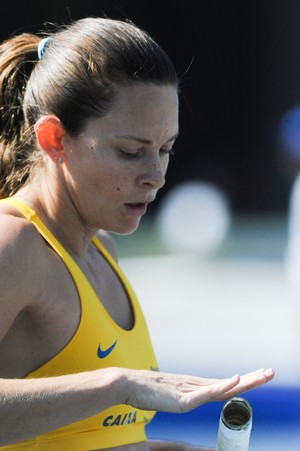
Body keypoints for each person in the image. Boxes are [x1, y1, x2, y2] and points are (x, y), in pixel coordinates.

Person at [0, 17, 274, 451]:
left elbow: (80, 437)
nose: (156, 176)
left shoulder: (102, 250)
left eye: (165, 149)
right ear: (54, 139)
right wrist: (118, 384)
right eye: (131, 152)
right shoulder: (11, 244)